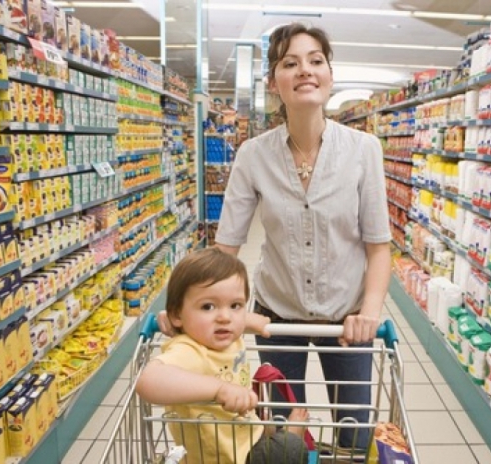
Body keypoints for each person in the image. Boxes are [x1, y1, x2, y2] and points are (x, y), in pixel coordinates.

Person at [158, 22, 391, 451]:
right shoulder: (253, 154)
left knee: (357, 434)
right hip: (275, 318)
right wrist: (183, 307)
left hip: (348, 321)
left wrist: (370, 312)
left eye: (315, 61)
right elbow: (226, 248)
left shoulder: (364, 150)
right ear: (273, 82)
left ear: (329, 75)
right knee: (280, 437)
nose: (305, 70)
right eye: (290, 63)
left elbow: (378, 247)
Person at [135, 248, 310, 464]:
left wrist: (247, 320)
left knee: (271, 434)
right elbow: (148, 382)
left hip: (243, 437)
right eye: (208, 306)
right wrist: (219, 389)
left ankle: (272, 435)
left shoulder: (225, 334)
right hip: (222, 457)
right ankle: (290, 435)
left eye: (235, 305)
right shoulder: (190, 350)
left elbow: (228, 317)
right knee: (292, 450)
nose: (225, 317)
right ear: (176, 315)